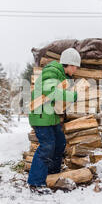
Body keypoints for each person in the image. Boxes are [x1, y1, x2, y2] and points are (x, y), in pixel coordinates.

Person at [28, 48, 81, 194]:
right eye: (75, 66)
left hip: (50, 116)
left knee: (60, 143)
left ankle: (52, 174)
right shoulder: (51, 71)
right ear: (68, 64)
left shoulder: (61, 74)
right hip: (40, 116)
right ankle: (35, 183)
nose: (76, 69)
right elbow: (49, 91)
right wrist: (72, 96)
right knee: (47, 147)